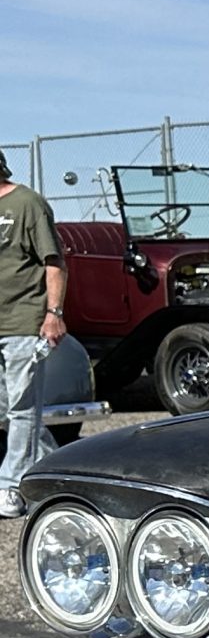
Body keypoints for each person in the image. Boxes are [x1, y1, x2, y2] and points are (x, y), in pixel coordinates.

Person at [0, 148, 68, 519]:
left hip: (23, 323)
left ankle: (10, 486)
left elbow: (54, 263)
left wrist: (53, 314)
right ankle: (60, 469)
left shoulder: (28, 203)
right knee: (7, 411)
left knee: (22, 409)